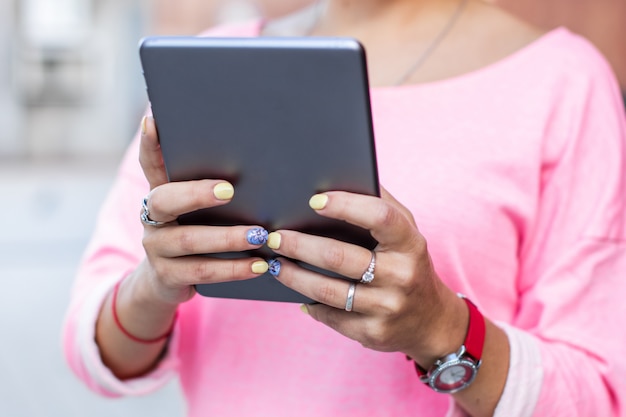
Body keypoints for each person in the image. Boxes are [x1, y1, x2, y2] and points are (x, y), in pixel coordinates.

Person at [62, 0, 626, 416]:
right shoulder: (216, 61)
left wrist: (441, 328)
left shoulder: (562, 84)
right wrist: (156, 284)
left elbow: (601, 396)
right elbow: (94, 356)